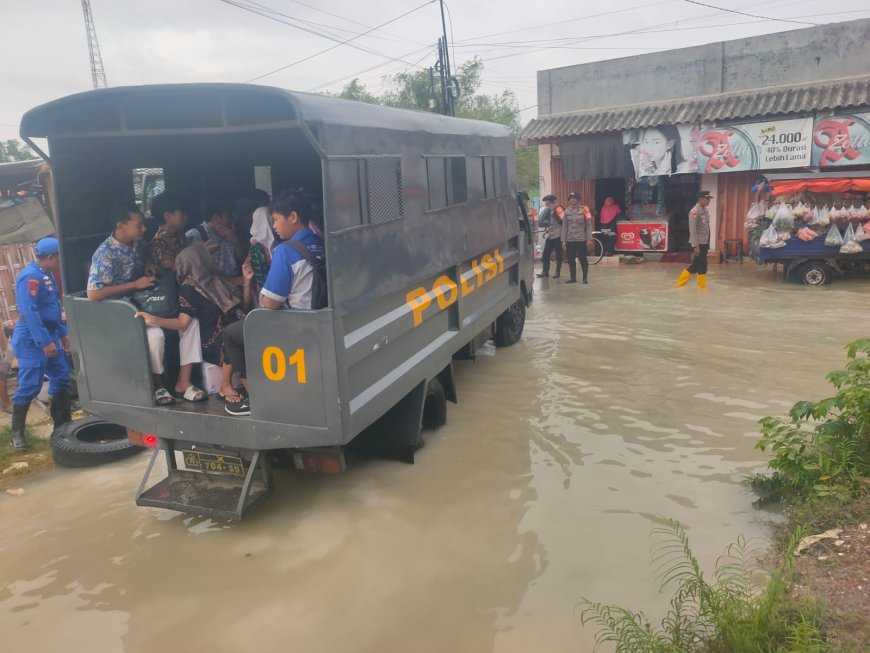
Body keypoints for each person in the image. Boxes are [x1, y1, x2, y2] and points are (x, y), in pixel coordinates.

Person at [87, 205, 204, 404]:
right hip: (124, 312)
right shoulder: (105, 254)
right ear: (120, 225)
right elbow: (93, 294)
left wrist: (149, 265)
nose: (144, 229)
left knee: (191, 322)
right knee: (155, 335)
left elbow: (147, 256)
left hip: (148, 300)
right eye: (138, 225)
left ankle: (183, 382)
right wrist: (134, 284)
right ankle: (159, 386)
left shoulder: (137, 244)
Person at [224, 192, 324, 417]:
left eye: (277, 219)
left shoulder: (286, 251)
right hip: (318, 319)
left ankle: (256, 398)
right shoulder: (320, 243)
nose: (274, 226)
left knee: (232, 333)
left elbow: (269, 303)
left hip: (291, 324)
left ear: (293, 217)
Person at [9, 238, 71, 448]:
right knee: (30, 386)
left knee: (62, 378)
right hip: (31, 338)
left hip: (50, 334)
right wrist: (45, 342)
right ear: (51, 257)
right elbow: (30, 312)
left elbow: (53, 306)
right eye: (59, 256)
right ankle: (17, 436)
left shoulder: (47, 275)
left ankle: (63, 427)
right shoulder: (30, 277)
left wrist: (63, 333)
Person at [172, 245, 253, 404]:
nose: (212, 259)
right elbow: (183, 322)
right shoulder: (188, 289)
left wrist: (247, 283)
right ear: (197, 261)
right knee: (230, 339)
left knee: (239, 333)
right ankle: (225, 386)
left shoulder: (215, 280)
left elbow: (244, 308)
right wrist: (152, 319)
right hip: (212, 343)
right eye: (206, 256)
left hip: (233, 331)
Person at [186, 198, 246, 276]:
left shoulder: (230, 231)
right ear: (216, 218)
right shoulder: (194, 236)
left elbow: (243, 259)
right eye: (227, 216)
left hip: (236, 282)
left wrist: (235, 240)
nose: (230, 219)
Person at [675, 190, 713, 289]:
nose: (709, 201)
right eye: (707, 198)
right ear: (701, 199)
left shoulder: (704, 210)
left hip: (704, 242)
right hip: (699, 244)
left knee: (699, 265)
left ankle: (700, 288)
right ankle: (681, 285)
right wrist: (695, 246)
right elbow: (692, 230)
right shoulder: (694, 212)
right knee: (699, 265)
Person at [146, 192, 187, 273]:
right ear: (168, 216)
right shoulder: (158, 245)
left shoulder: (179, 235)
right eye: (182, 213)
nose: (186, 217)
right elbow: (180, 270)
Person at [561, 192, 593, 285]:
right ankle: (573, 278)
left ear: (578, 200)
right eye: (571, 198)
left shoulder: (584, 209)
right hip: (570, 239)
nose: (572, 200)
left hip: (581, 239)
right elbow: (564, 226)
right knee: (570, 258)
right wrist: (563, 240)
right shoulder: (566, 211)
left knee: (582, 258)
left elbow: (588, 225)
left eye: (574, 198)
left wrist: (589, 238)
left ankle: (585, 278)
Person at [536, 195, 563, 278]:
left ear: (549, 201)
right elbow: (552, 223)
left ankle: (557, 272)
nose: (545, 202)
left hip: (558, 235)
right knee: (545, 254)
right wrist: (547, 231)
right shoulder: (549, 209)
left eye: (546, 201)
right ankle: (545, 272)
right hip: (551, 235)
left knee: (559, 254)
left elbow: (564, 221)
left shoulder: (558, 209)